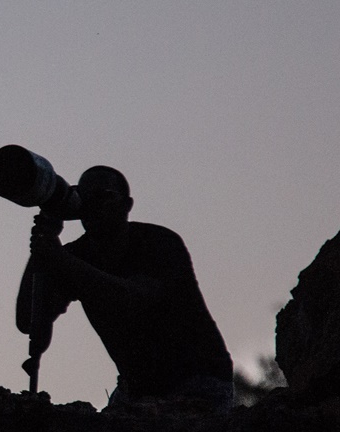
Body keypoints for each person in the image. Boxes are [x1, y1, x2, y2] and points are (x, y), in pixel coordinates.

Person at [16, 165, 234, 411]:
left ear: (127, 204)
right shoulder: (75, 255)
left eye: (104, 195)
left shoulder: (159, 242)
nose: (93, 204)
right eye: (85, 197)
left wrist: (61, 260)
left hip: (200, 381)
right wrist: (42, 248)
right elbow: (28, 321)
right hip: (136, 390)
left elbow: (137, 299)